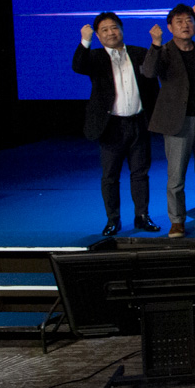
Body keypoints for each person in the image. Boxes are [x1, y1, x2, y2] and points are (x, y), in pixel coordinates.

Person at [143, 4, 195, 237]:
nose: (185, 25)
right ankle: (177, 220)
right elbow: (149, 72)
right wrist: (155, 44)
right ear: (170, 27)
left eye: (189, 20)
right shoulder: (164, 51)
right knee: (176, 176)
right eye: (179, 21)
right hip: (177, 121)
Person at [74, 12, 158, 235]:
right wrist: (85, 41)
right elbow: (78, 66)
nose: (111, 33)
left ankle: (142, 216)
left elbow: (152, 84)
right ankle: (113, 220)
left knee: (140, 173)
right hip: (111, 126)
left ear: (121, 29)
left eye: (114, 28)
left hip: (139, 122)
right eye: (104, 30)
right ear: (98, 35)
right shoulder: (95, 56)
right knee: (110, 176)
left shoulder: (139, 53)